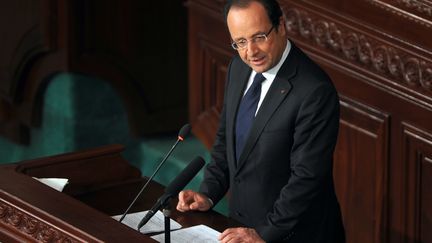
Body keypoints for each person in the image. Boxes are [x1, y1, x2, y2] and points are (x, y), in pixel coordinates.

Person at [177, 0, 345, 242]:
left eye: (259, 37)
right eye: (241, 42)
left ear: (281, 27)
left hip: (293, 235)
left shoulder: (314, 91)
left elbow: (306, 177)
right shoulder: (238, 68)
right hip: (241, 226)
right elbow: (226, 141)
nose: (251, 52)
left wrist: (265, 233)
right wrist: (209, 194)